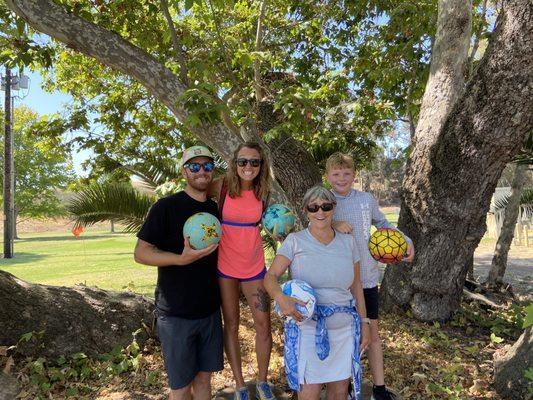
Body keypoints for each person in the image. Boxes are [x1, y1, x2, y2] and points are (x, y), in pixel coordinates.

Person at [264, 185, 371, 400]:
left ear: (334, 207)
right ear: (305, 210)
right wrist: (281, 298)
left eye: (326, 206)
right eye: (313, 207)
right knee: (309, 393)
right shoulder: (295, 241)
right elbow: (270, 277)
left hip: (344, 329)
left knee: (339, 392)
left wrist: (365, 322)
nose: (320, 212)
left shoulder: (349, 242)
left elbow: (356, 285)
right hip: (308, 329)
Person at [134, 145, 222, 400]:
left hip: (209, 310)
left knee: (204, 379)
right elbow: (141, 253)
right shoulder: (166, 207)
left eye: (207, 166)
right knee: (181, 387)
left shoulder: (215, 209)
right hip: (176, 314)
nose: (201, 171)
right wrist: (180, 260)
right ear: (185, 171)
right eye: (194, 166)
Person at [325, 152, 415, 400]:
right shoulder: (325, 200)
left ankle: (379, 387)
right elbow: (314, 225)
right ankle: (343, 383)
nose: (341, 178)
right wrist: (335, 224)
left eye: (346, 173)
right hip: (338, 281)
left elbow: (384, 224)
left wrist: (406, 240)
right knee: (340, 335)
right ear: (328, 177)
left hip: (366, 277)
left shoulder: (366, 200)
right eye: (336, 174)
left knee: (372, 333)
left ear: (354, 175)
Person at [208, 142, 274, 400]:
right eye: (243, 161)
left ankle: (262, 381)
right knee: (232, 324)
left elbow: (281, 218)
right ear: (234, 163)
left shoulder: (264, 191)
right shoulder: (221, 186)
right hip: (225, 267)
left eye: (254, 162)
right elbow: (193, 195)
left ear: (261, 166)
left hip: (254, 267)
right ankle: (240, 386)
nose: (248, 167)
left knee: (263, 325)